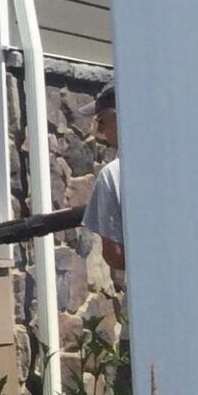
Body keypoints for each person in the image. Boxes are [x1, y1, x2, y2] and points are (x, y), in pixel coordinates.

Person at [80, 82, 123, 273]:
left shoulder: (114, 174)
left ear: (118, 116)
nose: (100, 132)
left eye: (102, 122)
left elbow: (115, 254)